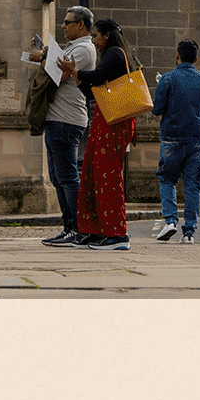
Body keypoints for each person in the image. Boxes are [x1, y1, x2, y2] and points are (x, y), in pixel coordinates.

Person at [26, 6, 100, 247]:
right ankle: (70, 227)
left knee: (68, 176)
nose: (64, 26)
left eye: (68, 22)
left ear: (81, 25)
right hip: (56, 119)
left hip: (67, 120)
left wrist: (42, 58)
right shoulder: (72, 47)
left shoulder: (84, 49)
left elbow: (61, 73)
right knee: (59, 177)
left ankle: (79, 228)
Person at [61, 18, 137, 250]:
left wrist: (76, 70)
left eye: (95, 36)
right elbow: (92, 91)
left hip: (115, 120)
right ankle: (95, 230)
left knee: (108, 176)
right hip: (105, 118)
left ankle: (117, 234)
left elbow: (96, 76)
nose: (93, 41)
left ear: (106, 36)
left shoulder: (115, 52)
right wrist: (76, 75)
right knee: (93, 173)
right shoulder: (111, 55)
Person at [150, 39, 200, 242]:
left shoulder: (167, 79)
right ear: (196, 59)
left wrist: (160, 87)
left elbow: (157, 108)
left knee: (167, 179)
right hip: (197, 139)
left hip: (172, 137)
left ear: (177, 56)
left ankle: (170, 220)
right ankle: (189, 233)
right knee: (193, 186)